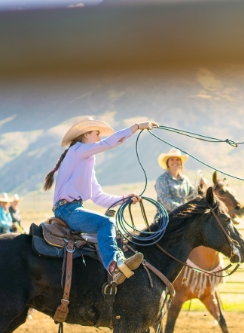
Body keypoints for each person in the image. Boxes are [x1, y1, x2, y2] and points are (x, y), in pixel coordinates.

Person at [43, 117, 158, 284]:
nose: (98, 138)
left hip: (70, 209)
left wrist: (124, 199)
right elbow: (109, 143)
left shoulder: (85, 160)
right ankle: (114, 266)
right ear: (86, 134)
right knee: (106, 223)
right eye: (96, 134)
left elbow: (98, 196)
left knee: (106, 225)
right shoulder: (78, 149)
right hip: (68, 210)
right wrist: (137, 127)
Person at [154, 148, 196, 212]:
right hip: (167, 217)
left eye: (177, 159)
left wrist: (201, 187)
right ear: (167, 162)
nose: (175, 162)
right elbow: (165, 201)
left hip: (184, 215)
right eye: (172, 159)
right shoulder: (162, 179)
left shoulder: (185, 180)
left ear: (181, 163)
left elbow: (193, 196)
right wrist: (183, 209)